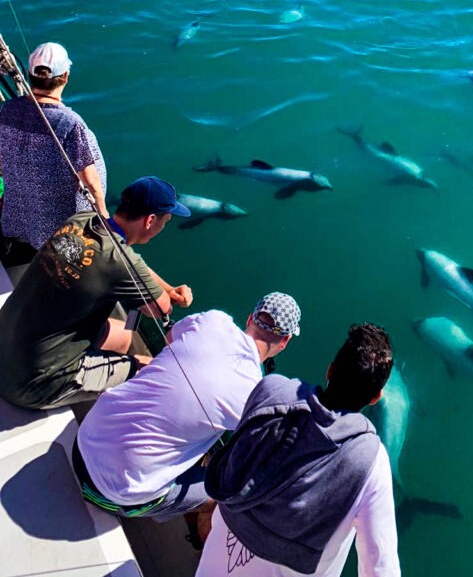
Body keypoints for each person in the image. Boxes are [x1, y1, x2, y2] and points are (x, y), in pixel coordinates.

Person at [72, 292, 301, 526]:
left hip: (82, 442)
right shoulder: (254, 394)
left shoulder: (214, 320)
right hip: (106, 495)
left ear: (250, 318)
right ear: (284, 341)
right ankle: (183, 526)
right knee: (221, 489)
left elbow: (170, 337)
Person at [197, 322, 401, 577]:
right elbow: (380, 567)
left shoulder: (270, 390)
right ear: (376, 398)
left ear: (330, 370)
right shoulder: (371, 460)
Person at [0, 175, 193, 410]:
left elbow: (128, 260)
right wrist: (172, 297)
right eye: (166, 221)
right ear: (150, 221)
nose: (163, 227)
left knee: (124, 335)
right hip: (31, 384)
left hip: (8, 346)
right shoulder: (119, 263)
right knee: (151, 371)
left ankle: (98, 384)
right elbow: (161, 309)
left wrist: (168, 288)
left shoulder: (82, 220)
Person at [0, 41, 108, 266]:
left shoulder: (8, 110)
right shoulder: (69, 122)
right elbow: (90, 181)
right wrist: (103, 216)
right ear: (65, 76)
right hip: (55, 230)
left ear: (29, 75)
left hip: (16, 219)